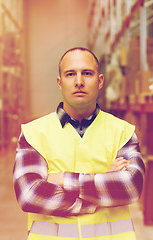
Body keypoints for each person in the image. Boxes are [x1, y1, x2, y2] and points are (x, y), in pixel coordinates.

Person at [13, 47, 145, 239]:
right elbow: (30, 194)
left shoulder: (122, 131)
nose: (79, 82)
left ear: (100, 81)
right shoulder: (34, 133)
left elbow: (130, 187)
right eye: (70, 74)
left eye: (87, 73)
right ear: (59, 83)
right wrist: (102, 180)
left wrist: (60, 179)